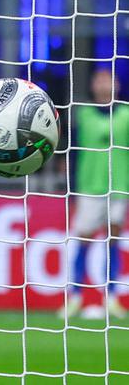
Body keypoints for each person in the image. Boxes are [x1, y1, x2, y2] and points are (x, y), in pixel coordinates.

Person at [63, 68, 129, 319]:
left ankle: (111, 297)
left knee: (113, 240)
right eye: (100, 81)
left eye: (109, 81)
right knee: (84, 240)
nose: (104, 86)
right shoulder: (84, 114)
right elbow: (73, 151)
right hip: (89, 187)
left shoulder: (126, 114)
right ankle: (76, 296)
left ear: (117, 85)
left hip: (120, 186)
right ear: (93, 85)